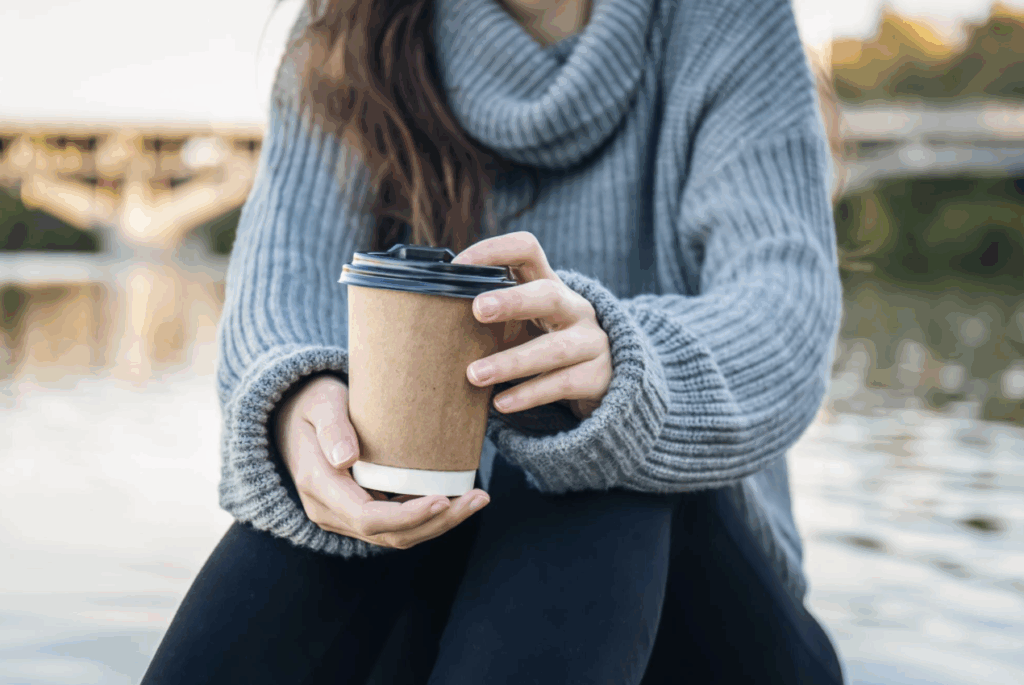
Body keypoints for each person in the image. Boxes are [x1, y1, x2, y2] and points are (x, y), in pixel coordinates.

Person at [143, 0, 846, 681]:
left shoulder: (731, 17)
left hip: (716, 624)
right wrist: (300, 410)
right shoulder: (348, 26)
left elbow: (785, 310)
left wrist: (620, 370)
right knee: (336, 500)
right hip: (444, 598)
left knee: (587, 452)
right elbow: (281, 296)